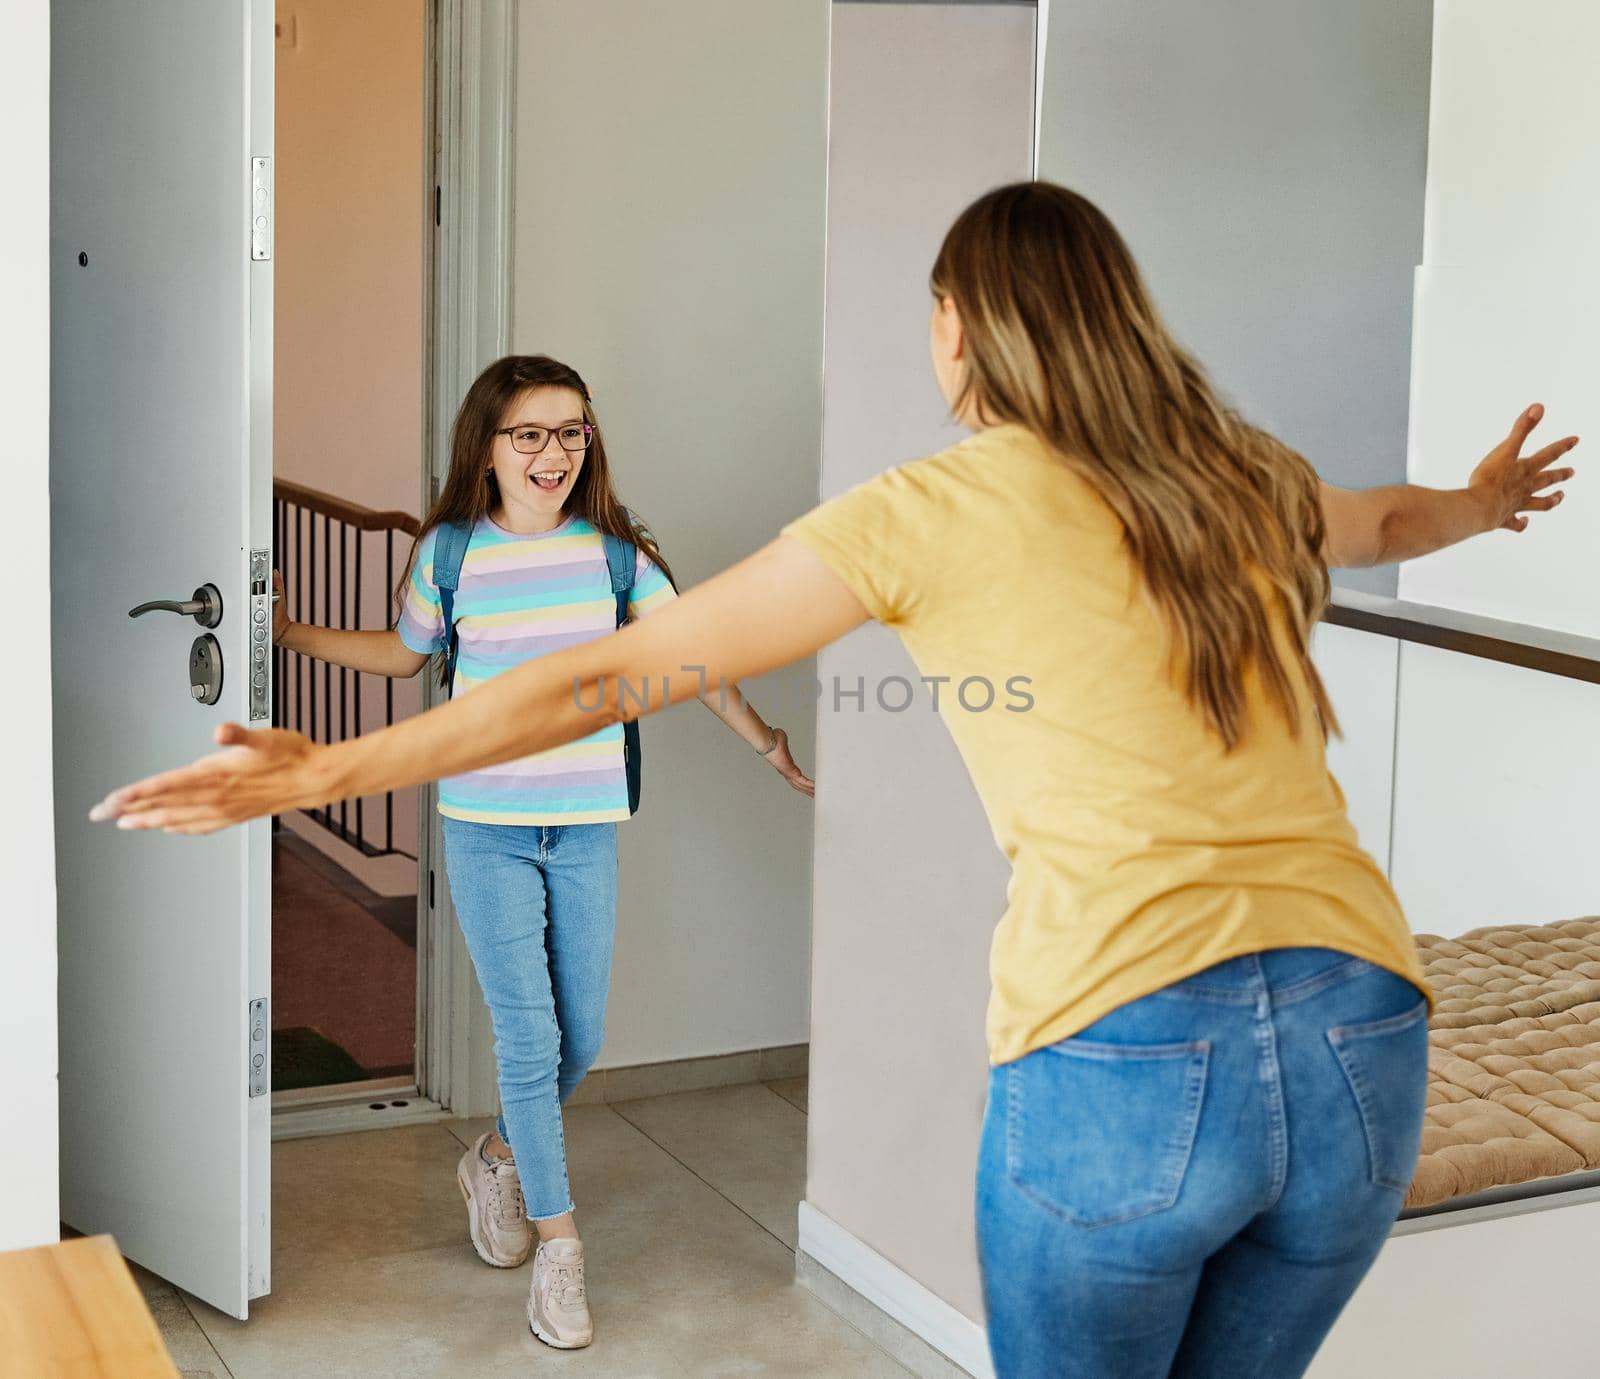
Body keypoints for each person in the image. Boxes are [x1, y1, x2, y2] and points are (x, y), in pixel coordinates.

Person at [95, 183, 1577, 1378]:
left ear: (958, 331)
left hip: (1131, 1032)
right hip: (1368, 1028)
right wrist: (1487, 501)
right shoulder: (1231, 469)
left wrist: (332, 766)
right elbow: (1381, 516)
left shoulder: (933, 502)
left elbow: (610, 675)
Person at [266, 353, 812, 1350]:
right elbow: (403, 651)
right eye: (529, 433)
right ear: (486, 445)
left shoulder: (616, 558)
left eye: (571, 432)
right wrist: (293, 631)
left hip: (583, 823)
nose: (553, 452)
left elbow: (699, 660)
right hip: (482, 825)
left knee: (583, 1039)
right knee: (529, 1040)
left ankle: (495, 1159)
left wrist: (769, 742)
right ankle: (562, 1251)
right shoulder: (450, 553)